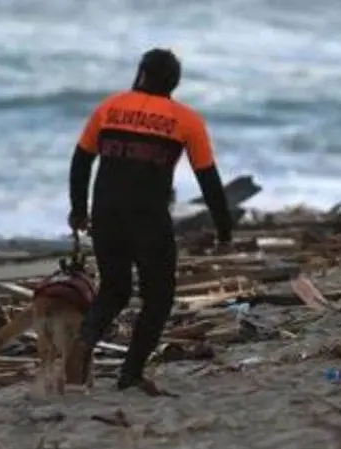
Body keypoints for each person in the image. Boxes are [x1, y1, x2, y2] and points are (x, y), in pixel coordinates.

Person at [65, 48, 235, 396]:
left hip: (106, 213)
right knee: (158, 298)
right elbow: (208, 178)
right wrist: (224, 228)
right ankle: (130, 375)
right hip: (148, 219)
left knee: (114, 289)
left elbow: (81, 161)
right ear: (174, 82)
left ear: (142, 74)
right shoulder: (186, 120)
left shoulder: (108, 108)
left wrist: (78, 209)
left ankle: (84, 340)